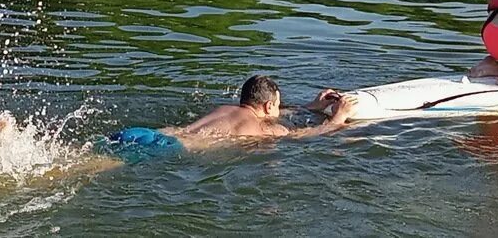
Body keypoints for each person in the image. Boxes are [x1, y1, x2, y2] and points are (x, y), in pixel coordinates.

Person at [100, 75, 358, 162]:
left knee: (94, 153)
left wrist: (312, 106)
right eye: (278, 106)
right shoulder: (265, 130)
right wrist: (337, 119)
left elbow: (275, 112)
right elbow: (305, 136)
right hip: (166, 148)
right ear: (269, 106)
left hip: (149, 132)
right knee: (98, 165)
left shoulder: (227, 109)